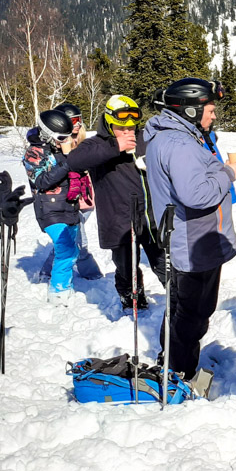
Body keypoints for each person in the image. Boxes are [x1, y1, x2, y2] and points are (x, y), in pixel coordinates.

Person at [144, 78, 236, 380]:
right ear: (190, 111)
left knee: (185, 309)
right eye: (210, 110)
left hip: (194, 240)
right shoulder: (179, 144)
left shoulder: (182, 137)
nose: (213, 116)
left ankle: (173, 360)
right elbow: (197, 195)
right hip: (192, 243)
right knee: (191, 314)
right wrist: (229, 172)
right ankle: (180, 372)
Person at [66, 95, 165, 310]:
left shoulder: (145, 139)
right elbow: (74, 161)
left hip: (151, 217)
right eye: (121, 127)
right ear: (109, 122)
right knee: (127, 267)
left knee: (165, 263)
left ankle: (181, 300)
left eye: (132, 126)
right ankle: (132, 301)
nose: (128, 131)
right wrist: (115, 146)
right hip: (120, 221)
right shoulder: (97, 144)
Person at [37, 103, 103, 282]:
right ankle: (88, 273)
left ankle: (49, 271)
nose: (76, 125)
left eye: (78, 120)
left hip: (86, 199)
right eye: (71, 121)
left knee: (70, 240)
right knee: (78, 241)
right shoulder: (57, 146)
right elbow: (45, 178)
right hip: (68, 202)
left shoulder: (83, 142)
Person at [22, 109, 81, 306]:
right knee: (67, 250)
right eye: (62, 137)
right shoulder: (34, 153)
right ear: (48, 134)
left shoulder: (61, 149)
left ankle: (50, 275)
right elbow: (41, 181)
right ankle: (59, 293)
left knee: (69, 249)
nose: (66, 140)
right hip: (49, 209)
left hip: (69, 206)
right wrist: (68, 160)